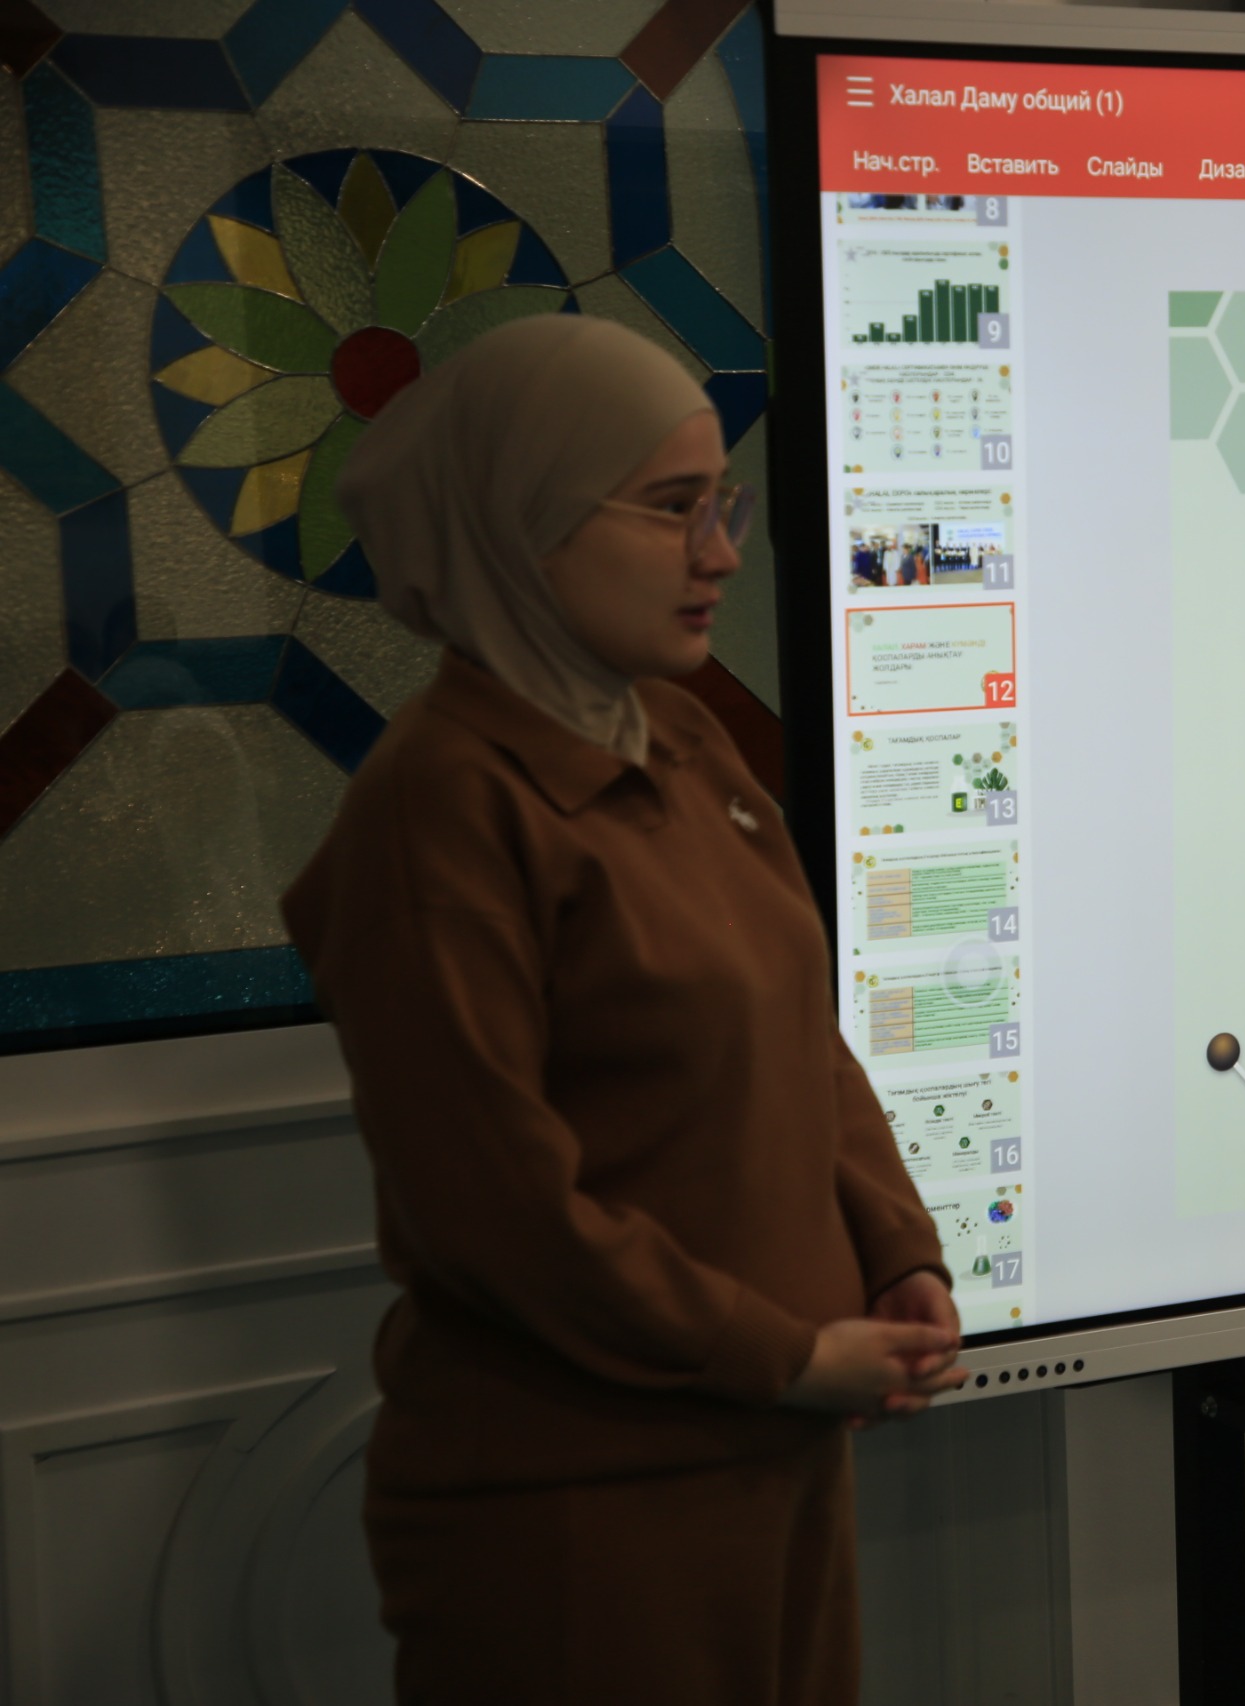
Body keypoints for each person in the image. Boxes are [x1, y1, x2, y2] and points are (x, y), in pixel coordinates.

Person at [281, 314, 966, 1705]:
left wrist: (899, 1250)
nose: (721, 553)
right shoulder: (440, 810)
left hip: (773, 1458)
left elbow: (797, 1029)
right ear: (519, 523)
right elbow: (502, 1214)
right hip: (579, 1511)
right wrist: (786, 1355)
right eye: (670, 508)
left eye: (722, 504)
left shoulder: (678, 731)